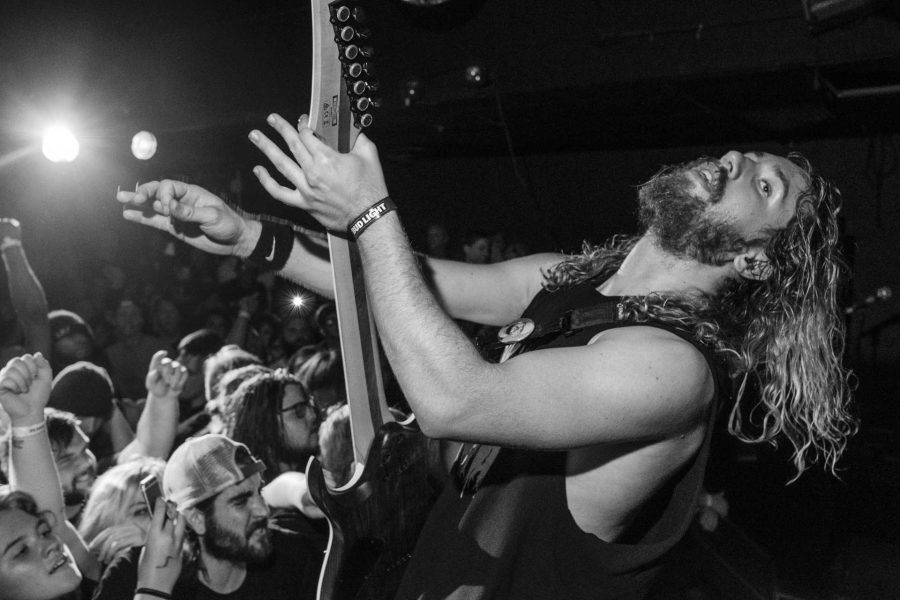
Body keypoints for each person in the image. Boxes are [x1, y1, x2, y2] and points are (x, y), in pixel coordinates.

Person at [117, 114, 855, 598]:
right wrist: (248, 236)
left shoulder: (673, 370)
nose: (731, 159)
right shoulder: (576, 279)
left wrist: (370, 213)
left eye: (764, 184)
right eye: (743, 154)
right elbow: (418, 285)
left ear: (758, 263)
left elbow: (454, 399)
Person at [93, 434, 324, 600]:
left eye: (258, 492)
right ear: (195, 518)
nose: (263, 510)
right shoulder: (133, 575)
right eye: (241, 501)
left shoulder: (293, 555)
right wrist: (152, 592)